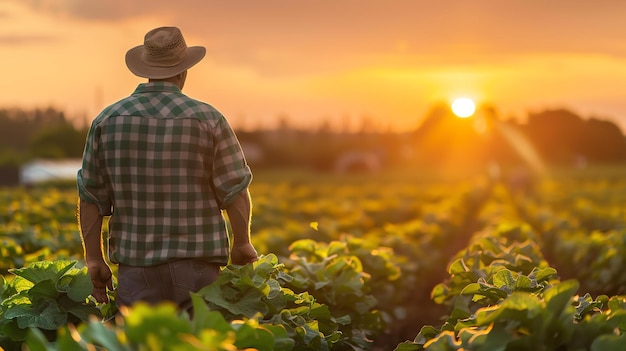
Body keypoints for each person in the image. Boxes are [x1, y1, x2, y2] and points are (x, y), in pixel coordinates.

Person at [77, 26, 258, 312]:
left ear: (145, 69)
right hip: (198, 268)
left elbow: (90, 197)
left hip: (135, 269)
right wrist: (242, 244)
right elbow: (235, 188)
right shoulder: (209, 119)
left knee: (139, 343)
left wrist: (94, 259)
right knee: (196, 341)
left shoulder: (106, 121)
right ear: (183, 71)